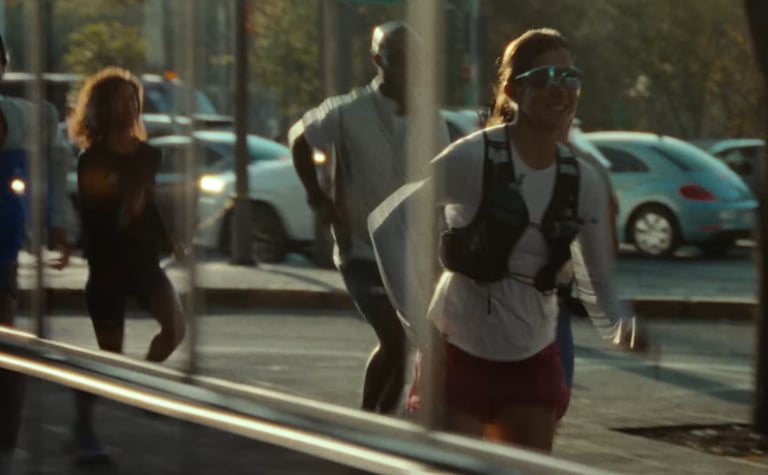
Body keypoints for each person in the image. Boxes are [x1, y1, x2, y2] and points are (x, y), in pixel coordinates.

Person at [369, 28, 646, 452]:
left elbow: (601, 282)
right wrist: (419, 328)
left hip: (532, 357)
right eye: (545, 76)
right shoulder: (474, 157)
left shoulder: (582, 179)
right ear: (514, 89)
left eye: (569, 77)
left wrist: (624, 326)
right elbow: (387, 223)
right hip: (457, 353)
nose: (559, 89)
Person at [289, 21, 450, 414]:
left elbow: (446, 182)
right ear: (378, 58)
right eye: (397, 55)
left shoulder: (431, 118)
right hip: (360, 249)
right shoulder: (347, 111)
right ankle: (369, 429)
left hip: (410, 253)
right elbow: (299, 138)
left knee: (400, 344)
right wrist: (319, 198)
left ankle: (375, 427)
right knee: (396, 339)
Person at [67, 66, 186, 460]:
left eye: (134, 98)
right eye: (122, 99)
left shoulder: (150, 154)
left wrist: (169, 237)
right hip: (107, 268)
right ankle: (82, 427)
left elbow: (147, 203)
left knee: (175, 329)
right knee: (108, 357)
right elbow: (94, 219)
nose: (131, 105)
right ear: (103, 108)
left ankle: (140, 386)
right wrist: (122, 211)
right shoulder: (91, 159)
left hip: (145, 264)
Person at [0, 33, 73, 474]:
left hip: (2, 246)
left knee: (6, 332)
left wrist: (57, 220)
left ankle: (6, 436)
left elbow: (55, 149)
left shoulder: (23, 117)